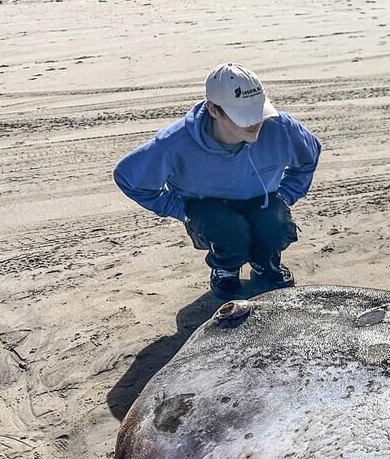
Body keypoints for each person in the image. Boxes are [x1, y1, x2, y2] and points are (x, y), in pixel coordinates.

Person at [113, 63, 322, 297]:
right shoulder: (175, 142)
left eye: (258, 111)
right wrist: (181, 210)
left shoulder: (281, 128)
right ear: (214, 110)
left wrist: (286, 195)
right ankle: (226, 269)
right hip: (208, 209)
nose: (255, 122)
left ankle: (265, 263)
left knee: (275, 223)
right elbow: (129, 178)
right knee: (229, 231)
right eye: (243, 115)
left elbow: (309, 156)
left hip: (262, 201)